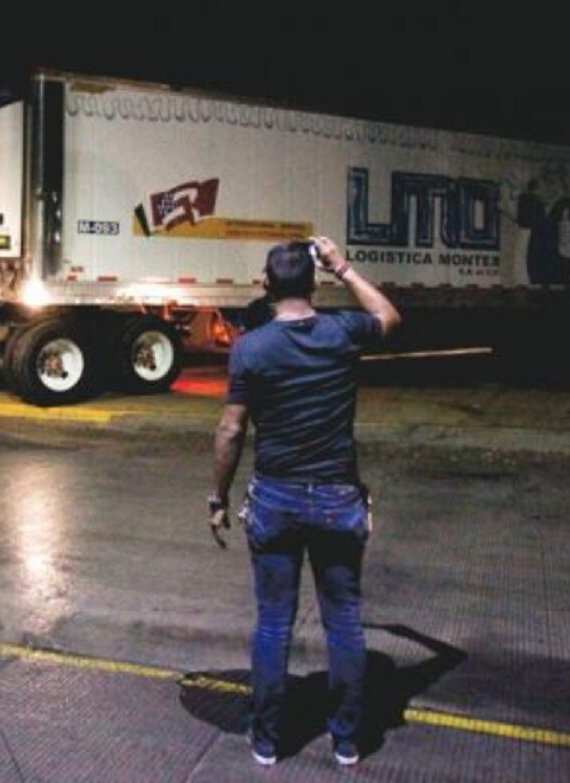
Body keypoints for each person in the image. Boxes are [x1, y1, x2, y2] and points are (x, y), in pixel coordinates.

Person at [209, 236, 400, 768]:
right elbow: (388, 315)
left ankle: (268, 739)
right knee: (344, 621)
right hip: (337, 496)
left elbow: (230, 430)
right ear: (315, 281)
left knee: (274, 623)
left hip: (276, 497)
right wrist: (345, 267)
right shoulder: (343, 331)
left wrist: (217, 497)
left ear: (266, 285)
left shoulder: (251, 347)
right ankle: (347, 740)